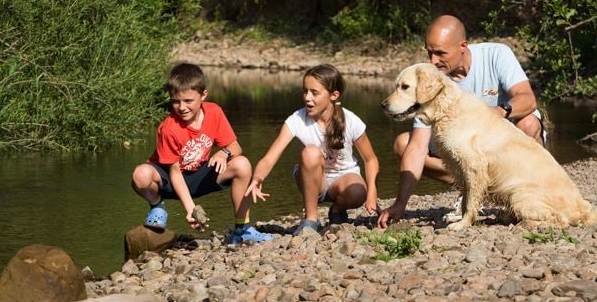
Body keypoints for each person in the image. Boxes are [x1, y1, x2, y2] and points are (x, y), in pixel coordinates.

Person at [378, 14, 543, 229]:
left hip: (502, 146)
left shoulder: (496, 54)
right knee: (403, 143)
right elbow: (417, 147)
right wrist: (400, 204)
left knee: (529, 123)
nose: (433, 61)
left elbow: (528, 99)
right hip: (468, 154)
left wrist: (497, 112)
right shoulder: (433, 79)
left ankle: (536, 192)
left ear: (463, 46)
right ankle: (474, 190)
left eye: (440, 53)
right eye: (429, 52)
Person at [131, 63, 272, 244]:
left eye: (188, 101)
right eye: (175, 101)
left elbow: (236, 147)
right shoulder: (169, 128)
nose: (182, 107)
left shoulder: (214, 112)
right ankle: (157, 206)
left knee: (242, 164)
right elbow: (174, 172)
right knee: (140, 175)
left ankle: (242, 228)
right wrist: (190, 208)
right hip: (169, 179)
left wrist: (223, 153)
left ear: (203, 95)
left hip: (199, 176)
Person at [245, 64, 380, 234]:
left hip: (343, 180)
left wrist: (372, 192)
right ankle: (311, 219)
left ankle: (337, 211)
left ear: (334, 95)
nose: (307, 98)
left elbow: (370, 159)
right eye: (305, 91)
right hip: (311, 180)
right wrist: (257, 178)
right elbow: (270, 157)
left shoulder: (351, 120)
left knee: (358, 192)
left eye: (314, 93)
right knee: (311, 152)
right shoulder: (296, 120)